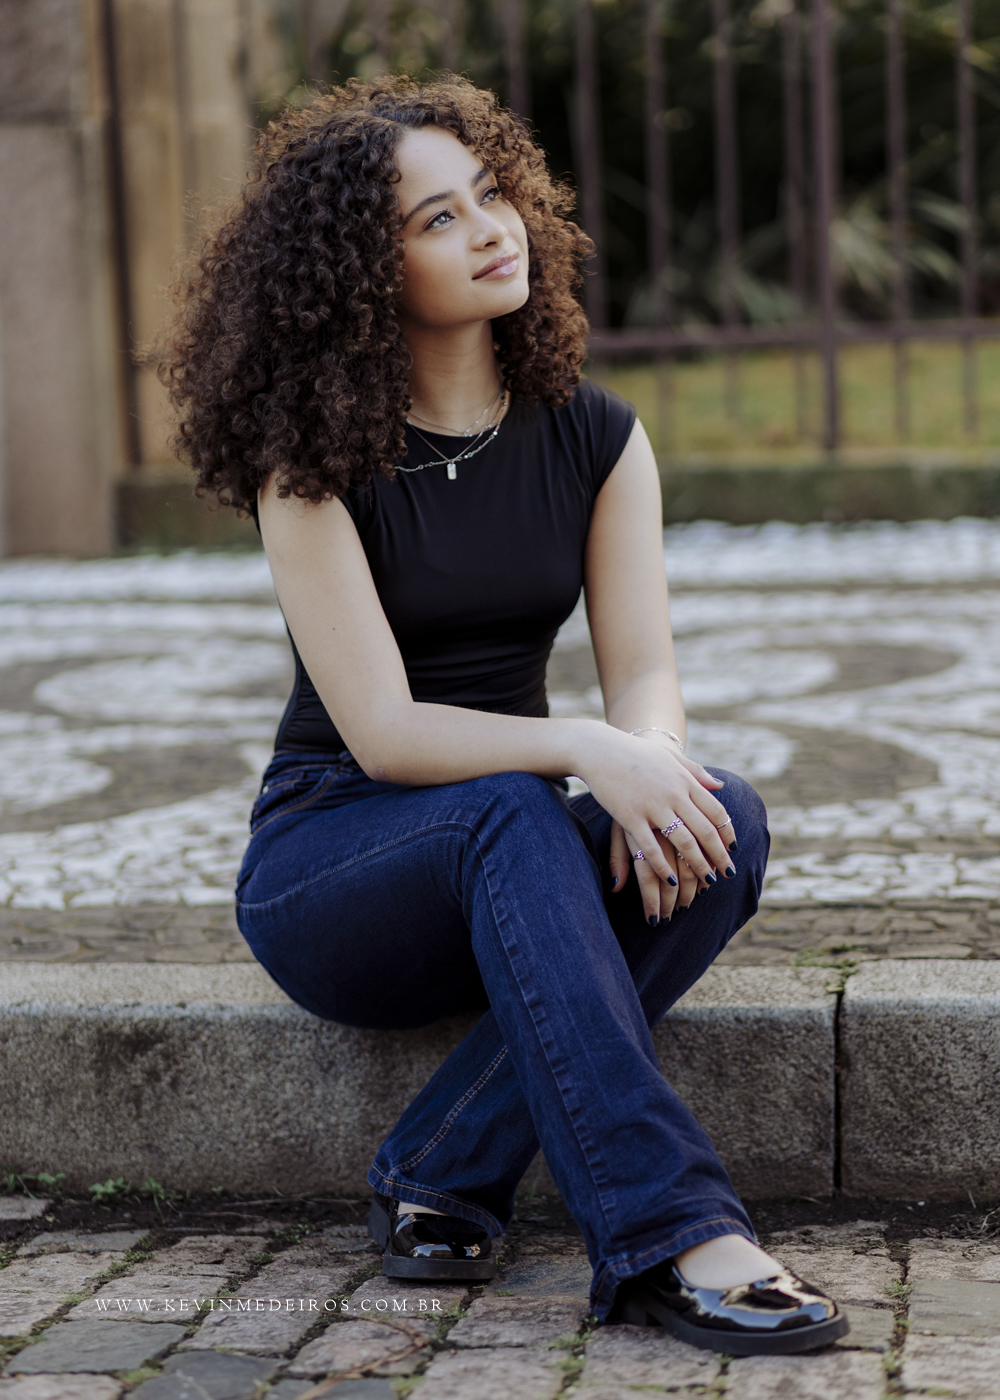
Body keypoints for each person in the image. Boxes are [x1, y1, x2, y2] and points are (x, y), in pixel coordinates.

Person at [157, 73, 846, 1356]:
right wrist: (585, 747)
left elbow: (644, 668)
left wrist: (652, 762)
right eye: (436, 219)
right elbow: (384, 734)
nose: (490, 228)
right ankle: (670, 1234)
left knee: (722, 820)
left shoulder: (593, 435)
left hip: (506, 847)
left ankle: (438, 1163)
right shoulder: (310, 469)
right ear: (363, 275)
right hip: (337, 861)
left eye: (490, 193)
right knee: (510, 812)